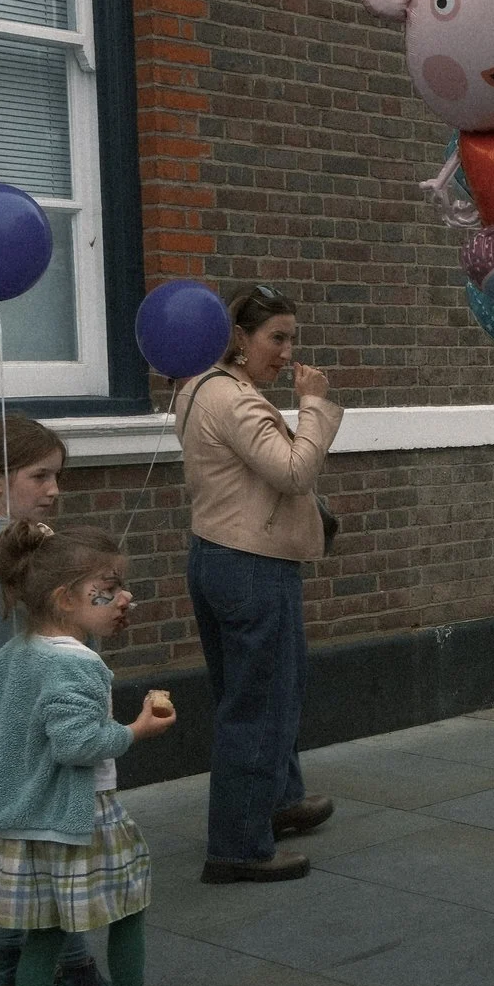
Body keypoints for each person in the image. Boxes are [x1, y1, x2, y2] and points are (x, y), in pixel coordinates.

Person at [0, 522, 190, 986]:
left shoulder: (14, 655)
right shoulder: (78, 664)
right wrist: (136, 729)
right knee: (129, 910)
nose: (125, 598)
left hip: (22, 820)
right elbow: (78, 745)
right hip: (82, 815)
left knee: (41, 934)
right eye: (108, 589)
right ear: (66, 598)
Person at [0, 416, 118, 986]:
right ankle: (76, 975)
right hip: (36, 721)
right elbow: (59, 621)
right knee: (52, 848)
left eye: (57, 476)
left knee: (15, 843)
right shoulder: (12, 547)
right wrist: (103, 604)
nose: (54, 489)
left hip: (0, 716)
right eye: (39, 475)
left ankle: (6, 960)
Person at [174, 285, 342, 883]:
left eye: (292, 337)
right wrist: (314, 406)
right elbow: (295, 471)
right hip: (251, 564)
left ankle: (278, 800)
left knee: (264, 692)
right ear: (239, 339)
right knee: (260, 703)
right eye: (276, 337)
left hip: (219, 555)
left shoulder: (195, 388)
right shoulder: (238, 402)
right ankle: (239, 847)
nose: (289, 353)